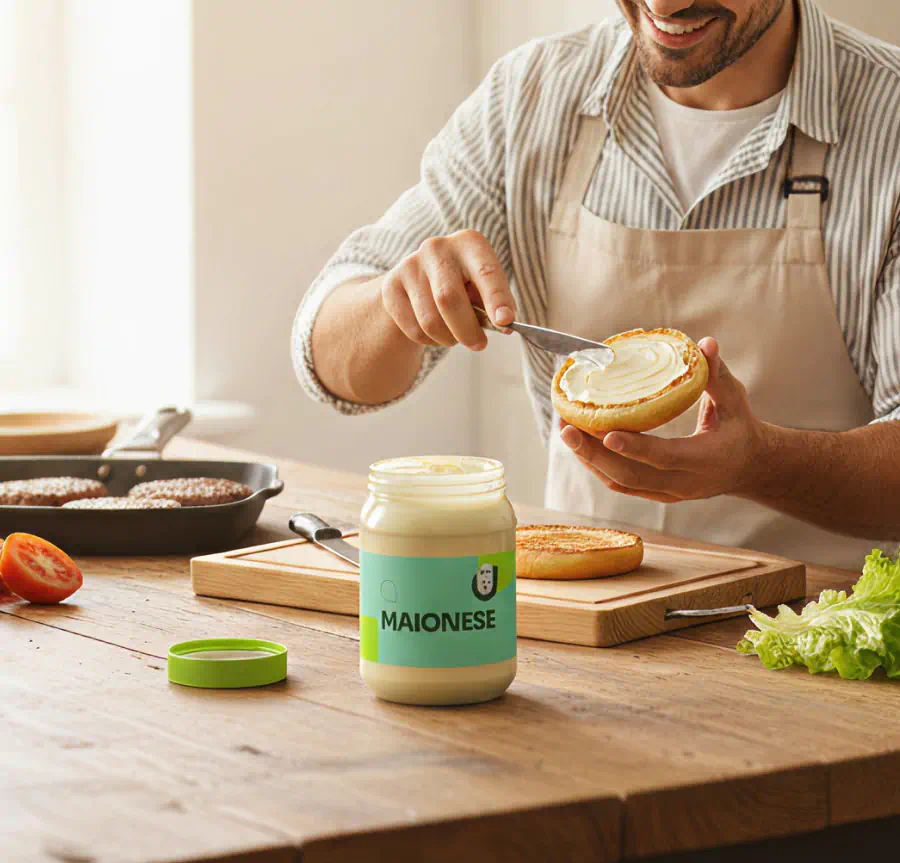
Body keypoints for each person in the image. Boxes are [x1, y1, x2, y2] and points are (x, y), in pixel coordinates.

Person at [293, 0, 900, 568]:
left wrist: (758, 465)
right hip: (580, 622)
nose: (664, 5)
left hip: (812, 638)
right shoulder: (532, 96)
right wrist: (395, 304)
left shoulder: (888, 119)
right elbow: (332, 366)